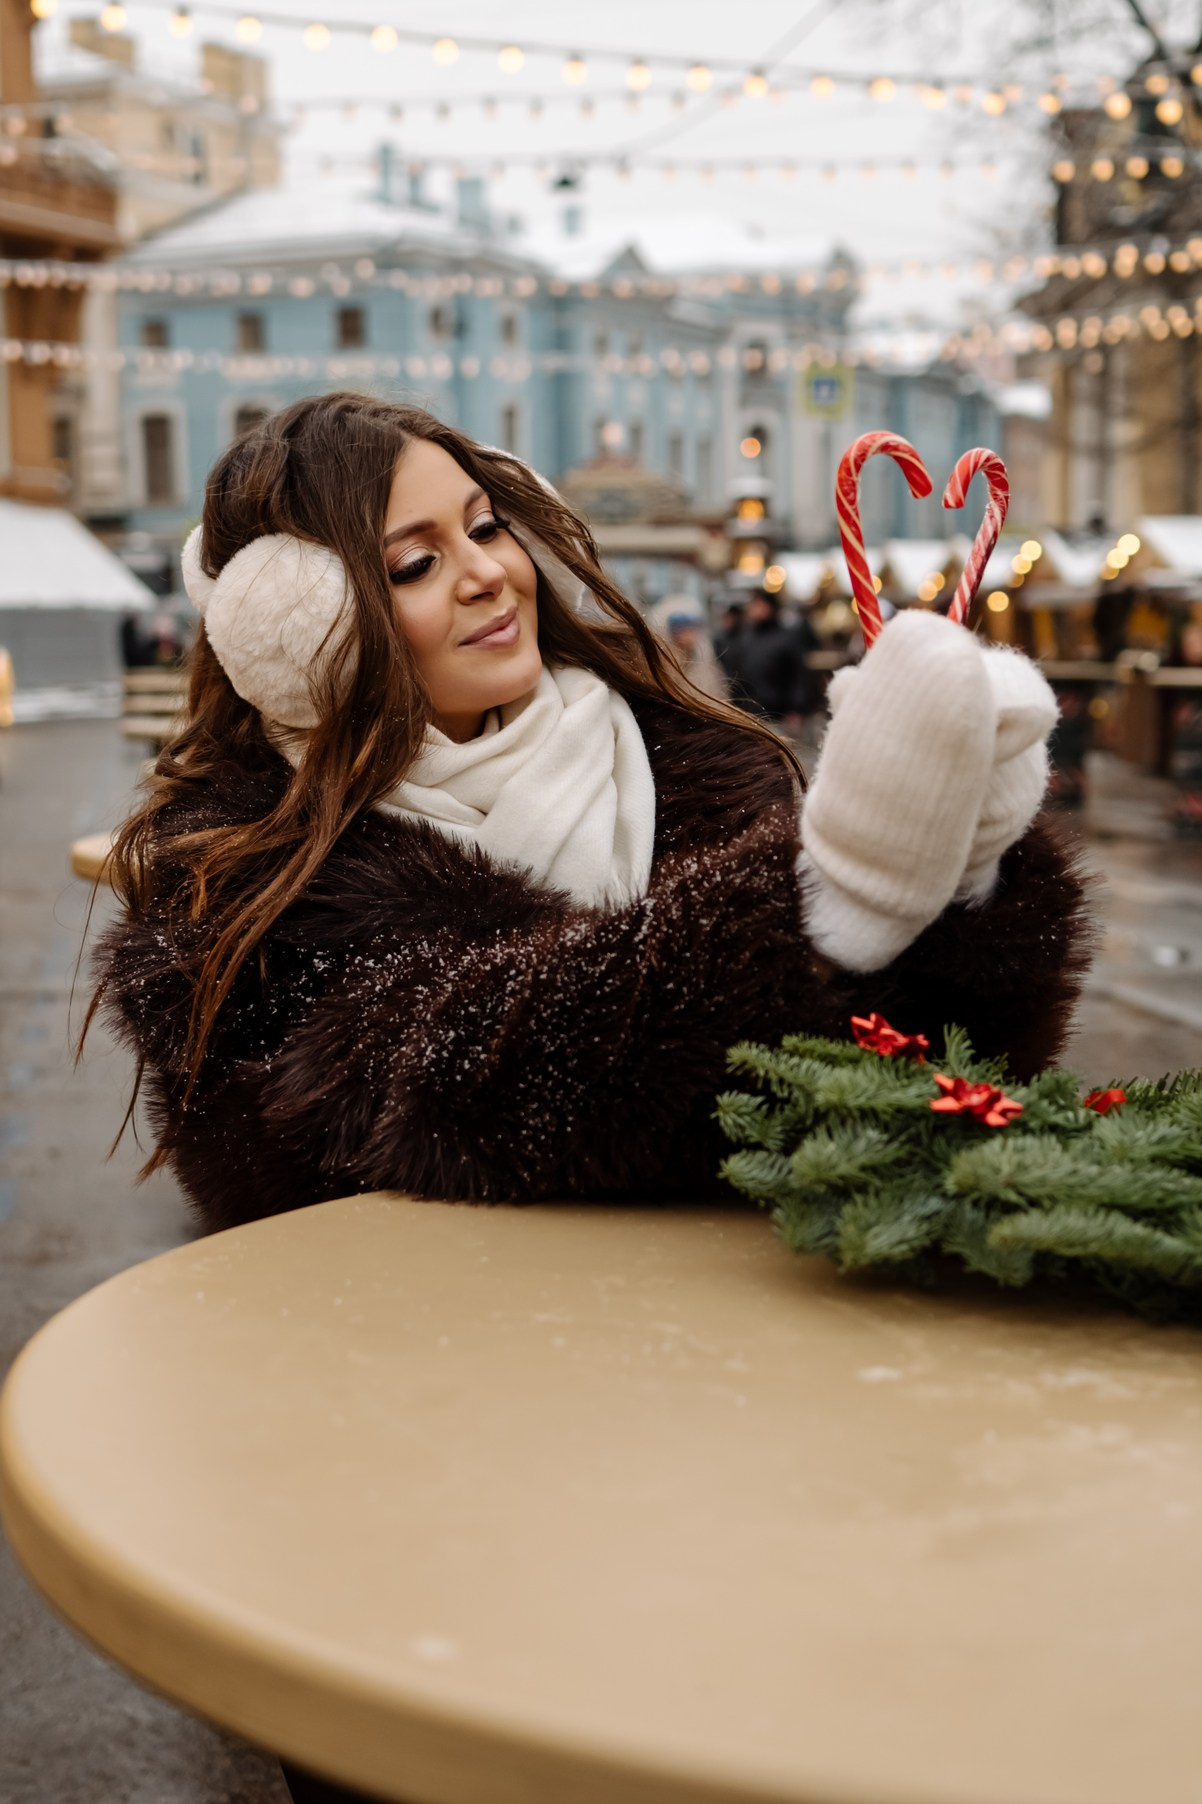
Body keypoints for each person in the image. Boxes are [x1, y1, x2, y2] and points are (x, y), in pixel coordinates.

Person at [87, 392, 1091, 1238]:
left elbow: (902, 1081)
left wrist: (968, 881)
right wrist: (817, 896)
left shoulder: (692, 764)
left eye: (484, 527)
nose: (485, 571)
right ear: (300, 629)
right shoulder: (237, 873)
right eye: (412, 564)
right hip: (422, 1389)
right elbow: (402, 1090)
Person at [721, 587, 810, 728]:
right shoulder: (744, 637)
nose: (755, 609)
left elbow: (797, 676)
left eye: (760, 604)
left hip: (777, 714)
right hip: (748, 713)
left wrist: (796, 709)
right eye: (754, 604)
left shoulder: (786, 637)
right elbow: (736, 673)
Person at [647, 593, 729, 701]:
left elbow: (718, 690)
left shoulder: (705, 655)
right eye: (681, 628)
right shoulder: (661, 664)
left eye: (692, 627)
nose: (689, 634)